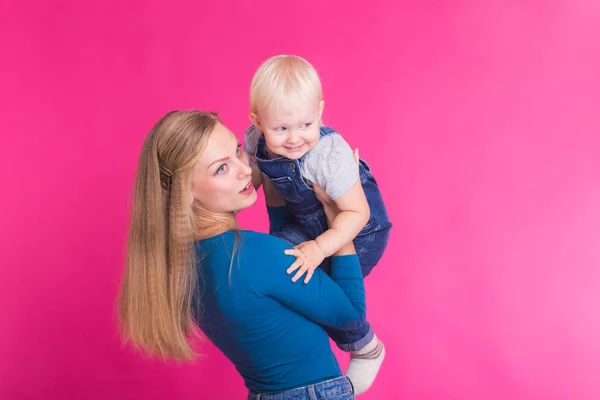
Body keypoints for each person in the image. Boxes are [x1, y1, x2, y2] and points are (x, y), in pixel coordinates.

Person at [118, 110, 369, 399]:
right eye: (221, 168)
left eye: (238, 150)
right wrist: (339, 220)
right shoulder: (254, 255)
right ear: (185, 191)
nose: (245, 169)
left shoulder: (183, 267)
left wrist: (277, 184)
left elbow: (277, 252)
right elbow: (352, 316)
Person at [244, 55, 392, 393]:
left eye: (306, 125)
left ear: (320, 112)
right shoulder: (255, 141)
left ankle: (363, 344)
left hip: (358, 230)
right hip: (305, 221)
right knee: (281, 267)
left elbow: (358, 214)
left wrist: (319, 248)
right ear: (257, 122)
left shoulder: (329, 155)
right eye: (281, 128)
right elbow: (258, 179)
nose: (295, 138)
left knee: (311, 287)